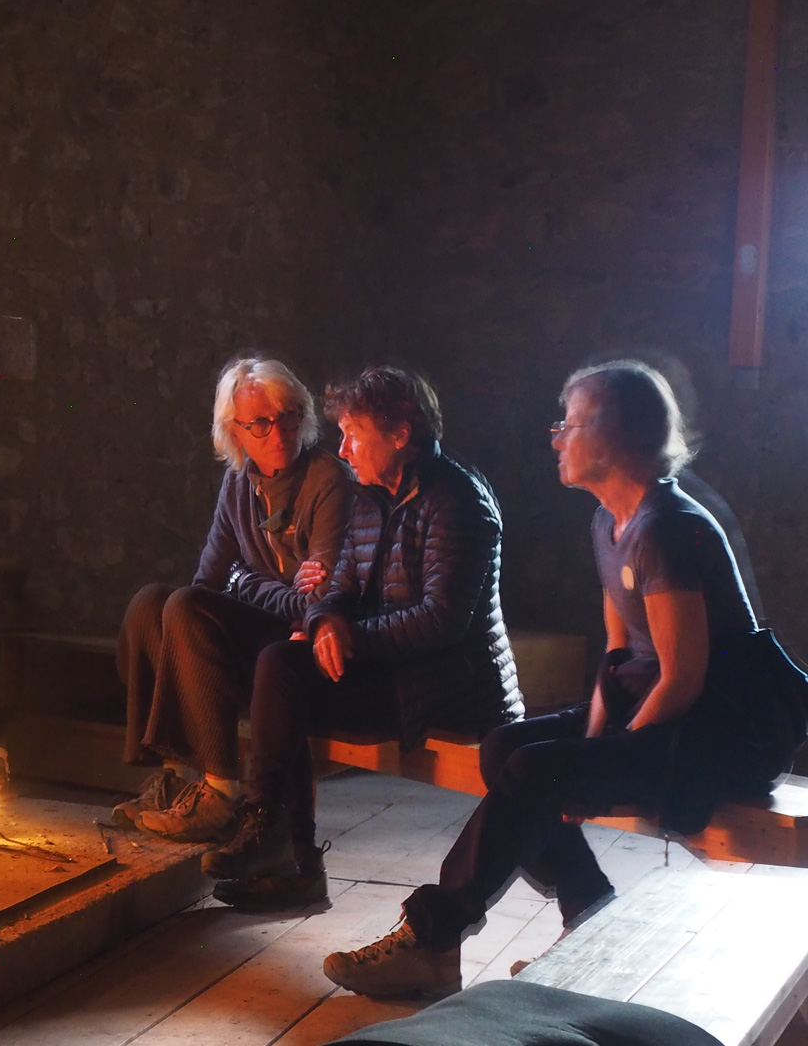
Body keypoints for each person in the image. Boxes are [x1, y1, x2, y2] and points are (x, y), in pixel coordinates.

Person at [322, 360, 780, 999]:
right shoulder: (608, 522)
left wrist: (596, 761)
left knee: (538, 772)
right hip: (663, 717)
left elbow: (682, 677)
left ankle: (433, 935)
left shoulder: (668, 528)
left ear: (615, 435)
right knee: (506, 746)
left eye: (570, 422)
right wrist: (592, 745)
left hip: (715, 737)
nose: (556, 435)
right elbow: (619, 657)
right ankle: (592, 915)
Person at [201, 367, 524, 912]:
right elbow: (339, 585)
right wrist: (326, 620)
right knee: (283, 663)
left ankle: (288, 852)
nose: (343, 449)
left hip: (451, 686)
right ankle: (275, 836)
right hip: (395, 671)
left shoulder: (457, 501)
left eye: (354, 434)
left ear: (400, 433)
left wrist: (350, 637)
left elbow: (440, 620)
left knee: (288, 677)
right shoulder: (371, 495)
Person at [112, 357, 355, 842]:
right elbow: (209, 579)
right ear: (235, 431)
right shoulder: (239, 482)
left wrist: (248, 584)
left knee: (185, 607)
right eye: (261, 423)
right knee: (150, 603)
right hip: (267, 623)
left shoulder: (327, 478)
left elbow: (319, 599)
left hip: (295, 645)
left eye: (287, 416)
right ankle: (175, 776)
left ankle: (221, 791)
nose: (278, 431)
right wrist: (260, 587)